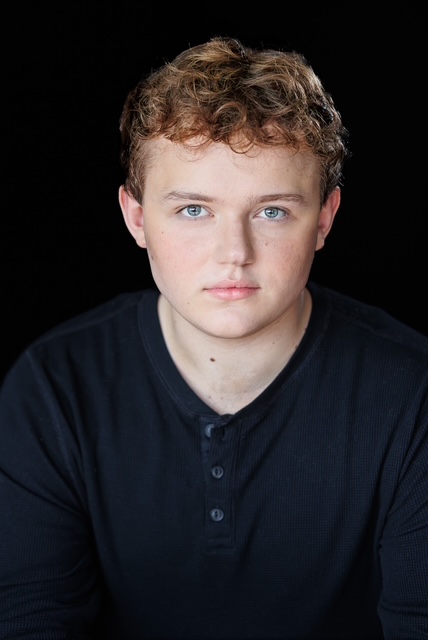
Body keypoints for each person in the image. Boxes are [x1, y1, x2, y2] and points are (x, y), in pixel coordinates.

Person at [0, 35, 427, 640]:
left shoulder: (413, 393)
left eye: (272, 211)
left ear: (325, 219)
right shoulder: (53, 389)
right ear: (137, 218)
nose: (235, 253)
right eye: (194, 210)